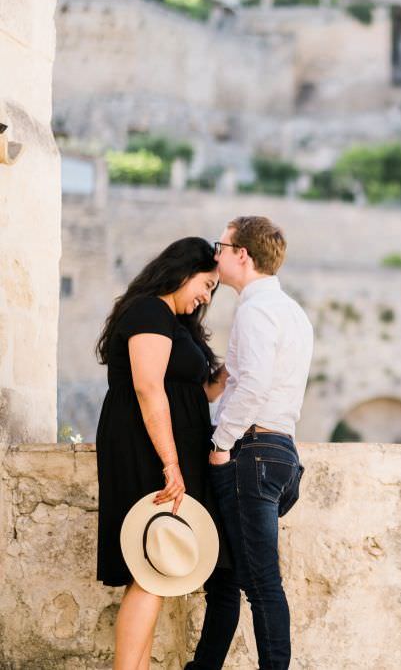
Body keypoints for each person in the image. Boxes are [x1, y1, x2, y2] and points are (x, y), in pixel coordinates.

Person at [94, 237, 227, 670]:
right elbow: (149, 388)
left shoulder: (175, 322)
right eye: (206, 285)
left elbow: (198, 392)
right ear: (183, 272)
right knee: (150, 568)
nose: (206, 297)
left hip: (170, 446)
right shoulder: (149, 311)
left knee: (153, 568)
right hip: (145, 446)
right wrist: (171, 463)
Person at [188, 216, 314, 670]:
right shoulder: (292, 312)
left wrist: (221, 444)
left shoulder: (255, 310)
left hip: (251, 452)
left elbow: (255, 385)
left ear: (242, 255)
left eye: (221, 247)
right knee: (227, 577)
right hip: (280, 451)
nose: (215, 254)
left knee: (261, 584)